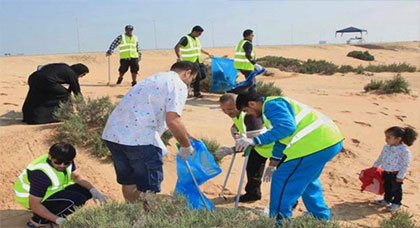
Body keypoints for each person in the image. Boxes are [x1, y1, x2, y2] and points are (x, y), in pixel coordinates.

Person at [234, 92, 344, 224]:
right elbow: (282, 139)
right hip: (329, 142)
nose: (249, 114)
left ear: (252, 103)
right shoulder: (273, 108)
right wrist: (273, 163)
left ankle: (279, 222)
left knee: (282, 179)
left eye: (247, 111)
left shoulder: (271, 105)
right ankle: (320, 219)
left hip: (314, 145)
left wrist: (255, 140)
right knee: (308, 181)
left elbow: (287, 128)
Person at [102, 61, 198, 204]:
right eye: (192, 79)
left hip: (113, 135)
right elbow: (173, 120)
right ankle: (147, 220)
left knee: (129, 181)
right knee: (148, 188)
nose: (190, 83)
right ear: (188, 72)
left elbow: (152, 110)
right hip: (139, 139)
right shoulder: (178, 84)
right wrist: (186, 146)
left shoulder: (154, 79)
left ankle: (132, 215)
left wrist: (185, 133)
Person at [14, 143, 106, 227]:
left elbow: (77, 176)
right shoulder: (41, 174)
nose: (62, 165)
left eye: (66, 163)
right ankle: (38, 221)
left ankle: (51, 215)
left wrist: (93, 190)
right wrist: (58, 220)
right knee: (77, 199)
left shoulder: (65, 158)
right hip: (30, 199)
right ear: (50, 157)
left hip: (50, 191)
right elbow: (34, 204)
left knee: (86, 191)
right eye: (58, 162)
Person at [216, 94, 273, 202]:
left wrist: (232, 150)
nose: (228, 112)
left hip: (275, 147)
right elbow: (236, 126)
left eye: (230, 109)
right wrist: (236, 133)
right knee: (252, 169)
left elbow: (253, 142)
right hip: (260, 149)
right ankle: (253, 194)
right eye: (224, 110)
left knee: (283, 176)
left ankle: (289, 202)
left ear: (238, 105)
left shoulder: (250, 116)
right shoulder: (238, 115)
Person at [22, 63, 89, 124]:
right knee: (65, 95)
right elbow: (76, 91)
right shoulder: (71, 73)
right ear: (79, 71)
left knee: (35, 96)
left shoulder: (64, 67)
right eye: (83, 74)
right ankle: (59, 115)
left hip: (33, 78)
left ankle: (28, 117)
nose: (82, 76)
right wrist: (83, 108)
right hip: (46, 80)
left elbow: (71, 87)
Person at [372, 126, 417, 211]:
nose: (386, 139)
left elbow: (405, 164)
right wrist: (375, 165)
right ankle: (386, 200)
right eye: (386, 137)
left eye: (389, 137)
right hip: (386, 171)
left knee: (396, 189)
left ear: (398, 139)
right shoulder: (386, 147)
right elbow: (381, 157)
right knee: (387, 187)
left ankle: (396, 204)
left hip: (396, 174)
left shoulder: (404, 151)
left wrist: (401, 175)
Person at [174, 25, 212, 98]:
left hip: (198, 60)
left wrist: (207, 53)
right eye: (199, 34)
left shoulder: (196, 39)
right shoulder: (186, 38)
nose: (199, 35)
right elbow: (177, 47)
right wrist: (179, 57)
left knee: (203, 75)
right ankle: (196, 93)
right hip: (190, 61)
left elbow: (199, 49)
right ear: (194, 31)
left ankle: (189, 84)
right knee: (197, 76)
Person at [233, 29, 263, 93]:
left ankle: (251, 97)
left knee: (250, 83)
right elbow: (248, 55)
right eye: (252, 35)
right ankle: (234, 91)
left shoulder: (241, 42)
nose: (253, 36)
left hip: (240, 65)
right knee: (251, 83)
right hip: (246, 66)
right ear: (248, 36)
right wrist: (255, 64)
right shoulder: (248, 44)